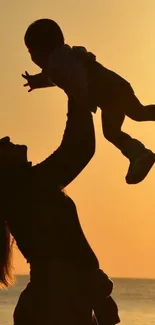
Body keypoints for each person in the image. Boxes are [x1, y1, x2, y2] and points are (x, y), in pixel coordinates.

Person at [0, 101, 120, 324]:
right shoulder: (29, 186)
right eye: (0, 145)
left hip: (58, 299)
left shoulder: (26, 188)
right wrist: (76, 92)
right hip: (57, 302)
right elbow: (79, 148)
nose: (6, 139)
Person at [22, 18, 155, 185]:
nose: (32, 57)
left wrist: (81, 97)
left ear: (41, 49)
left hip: (107, 92)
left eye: (30, 51)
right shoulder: (65, 56)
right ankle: (139, 154)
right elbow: (55, 77)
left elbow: (65, 75)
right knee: (137, 114)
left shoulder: (57, 60)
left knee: (120, 126)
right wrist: (36, 81)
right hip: (113, 89)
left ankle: (140, 154)